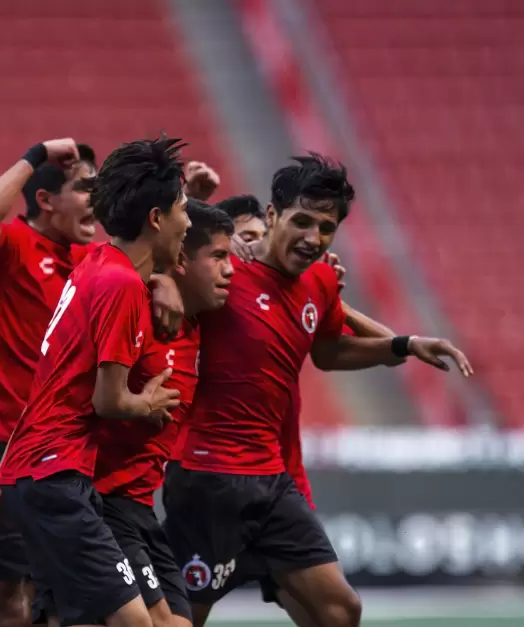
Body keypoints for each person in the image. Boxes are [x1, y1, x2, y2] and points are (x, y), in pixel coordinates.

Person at [162, 153, 472, 627]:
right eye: (300, 221)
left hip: (272, 478)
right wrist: (189, 219)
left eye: (325, 228)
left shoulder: (323, 279)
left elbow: (328, 352)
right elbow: (162, 260)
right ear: (271, 217)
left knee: (340, 608)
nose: (312, 238)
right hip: (208, 480)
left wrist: (403, 345)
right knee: (185, 618)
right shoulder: (224, 274)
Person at [0, 136, 191, 627]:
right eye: (182, 209)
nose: (188, 222)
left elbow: (44, 394)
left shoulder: (92, 266)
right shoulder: (119, 284)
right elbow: (108, 401)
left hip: (39, 473)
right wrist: (147, 403)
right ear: (156, 218)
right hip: (55, 478)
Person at [87, 201, 234, 627]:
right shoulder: (137, 309)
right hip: (102, 501)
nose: (231, 271)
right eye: (219, 257)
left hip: (140, 506)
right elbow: (95, 269)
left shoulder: (198, 325)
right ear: (184, 258)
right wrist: (158, 278)